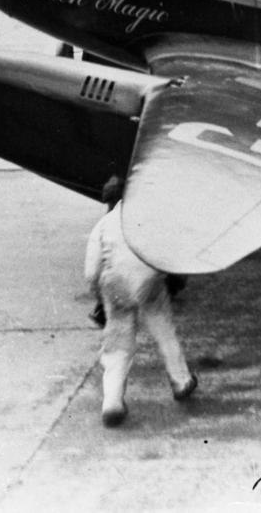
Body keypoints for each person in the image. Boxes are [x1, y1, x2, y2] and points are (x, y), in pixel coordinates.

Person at [85, 183, 198, 427]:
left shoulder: (103, 225)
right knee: (164, 333)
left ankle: (112, 403)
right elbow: (170, 254)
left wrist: (100, 298)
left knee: (118, 347)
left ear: (108, 203)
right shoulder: (149, 218)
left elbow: (91, 271)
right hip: (148, 284)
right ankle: (181, 381)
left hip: (115, 287)